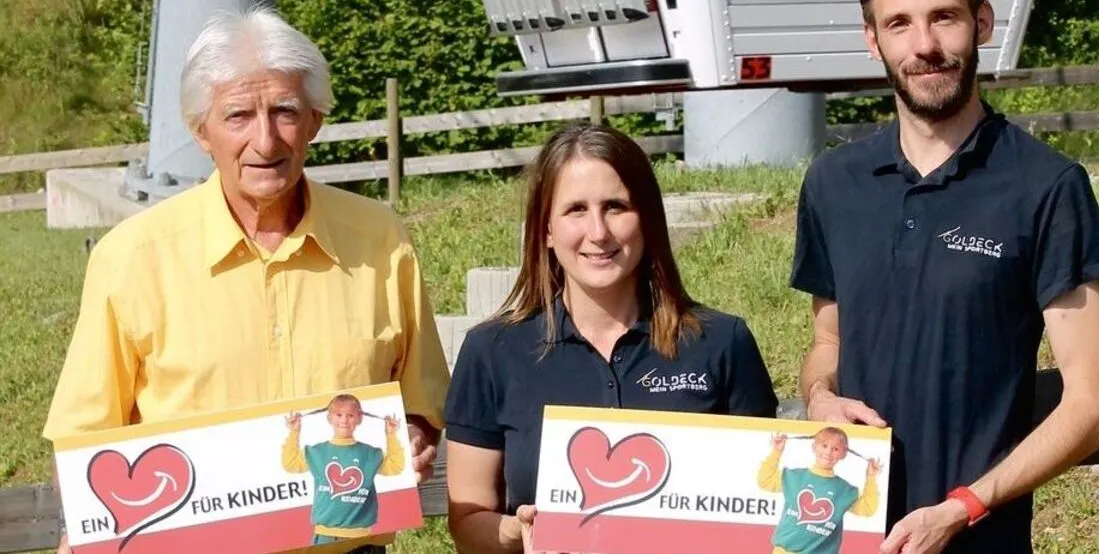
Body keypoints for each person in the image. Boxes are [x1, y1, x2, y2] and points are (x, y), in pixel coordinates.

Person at [42, 6, 450, 554]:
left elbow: (422, 398)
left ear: (315, 120)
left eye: (284, 111)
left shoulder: (380, 240)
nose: (265, 141)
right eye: (238, 116)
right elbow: (83, 439)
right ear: (200, 130)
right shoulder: (132, 259)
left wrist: (418, 436)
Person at [789, 0, 1099, 554]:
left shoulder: (1046, 186)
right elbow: (828, 341)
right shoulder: (833, 184)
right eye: (899, 24)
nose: (924, 45)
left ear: (982, 22)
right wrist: (819, 396)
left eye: (943, 17)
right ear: (873, 40)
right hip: (843, 538)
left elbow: (1098, 402)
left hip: (976, 539)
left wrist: (964, 507)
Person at [442, 123, 780, 553]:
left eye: (616, 206)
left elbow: (761, 508)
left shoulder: (721, 342)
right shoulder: (492, 351)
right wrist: (522, 530)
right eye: (576, 210)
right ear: (546, 229)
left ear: (647, 218)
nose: (598, 232)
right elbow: (467, 523)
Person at [282, 393, 406, 545]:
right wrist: (294, 432)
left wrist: (391, 435)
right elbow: (290, 463)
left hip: (361, 537)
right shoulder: (317, 452)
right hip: (325, 536)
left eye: (350, 415)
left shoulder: (370, 454)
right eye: (339, 415)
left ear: (359, 418)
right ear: (330, 418)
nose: (344, 420)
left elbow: (395, 466)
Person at [756, 428, 881, 554]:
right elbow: (765, 481)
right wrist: (776, 452)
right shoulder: (794, 477)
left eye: (835, 449)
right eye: (824, 445)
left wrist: (871, 478)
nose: (828, 452)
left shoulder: (844, 490)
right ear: (814, 447)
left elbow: (867, 508)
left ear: (843, 454)